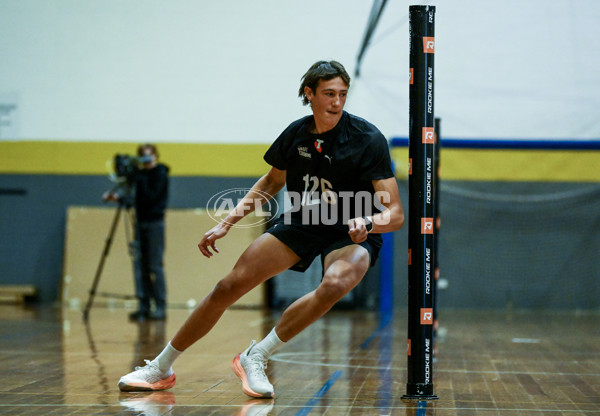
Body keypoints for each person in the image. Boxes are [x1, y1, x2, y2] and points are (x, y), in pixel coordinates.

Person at [117, 61, 404, 397]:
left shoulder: (367, 139)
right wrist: (226, 224)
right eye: (329, 94)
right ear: (308, 94)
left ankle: (257, 355)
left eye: (342, 94)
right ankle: (161, 368)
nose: (337, 102)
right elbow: (271, 181)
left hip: (353, 227)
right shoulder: (296, 134)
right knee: (228, 286)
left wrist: (369, 222)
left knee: (336, 283)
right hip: (306, 220)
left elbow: (395, 213)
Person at [104, 144, 170, 321]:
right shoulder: (139, 175)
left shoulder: (160, 173)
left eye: (149, 156)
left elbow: (150, 197)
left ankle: (160, 305)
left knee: (154, 266)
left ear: (156, 156)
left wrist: (137, 178)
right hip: (139, 223)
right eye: (143, 156)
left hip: (154, 223)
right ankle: (144, 305)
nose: (147, 160)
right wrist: (119, 196)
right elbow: (134, 197)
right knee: (140, 266)